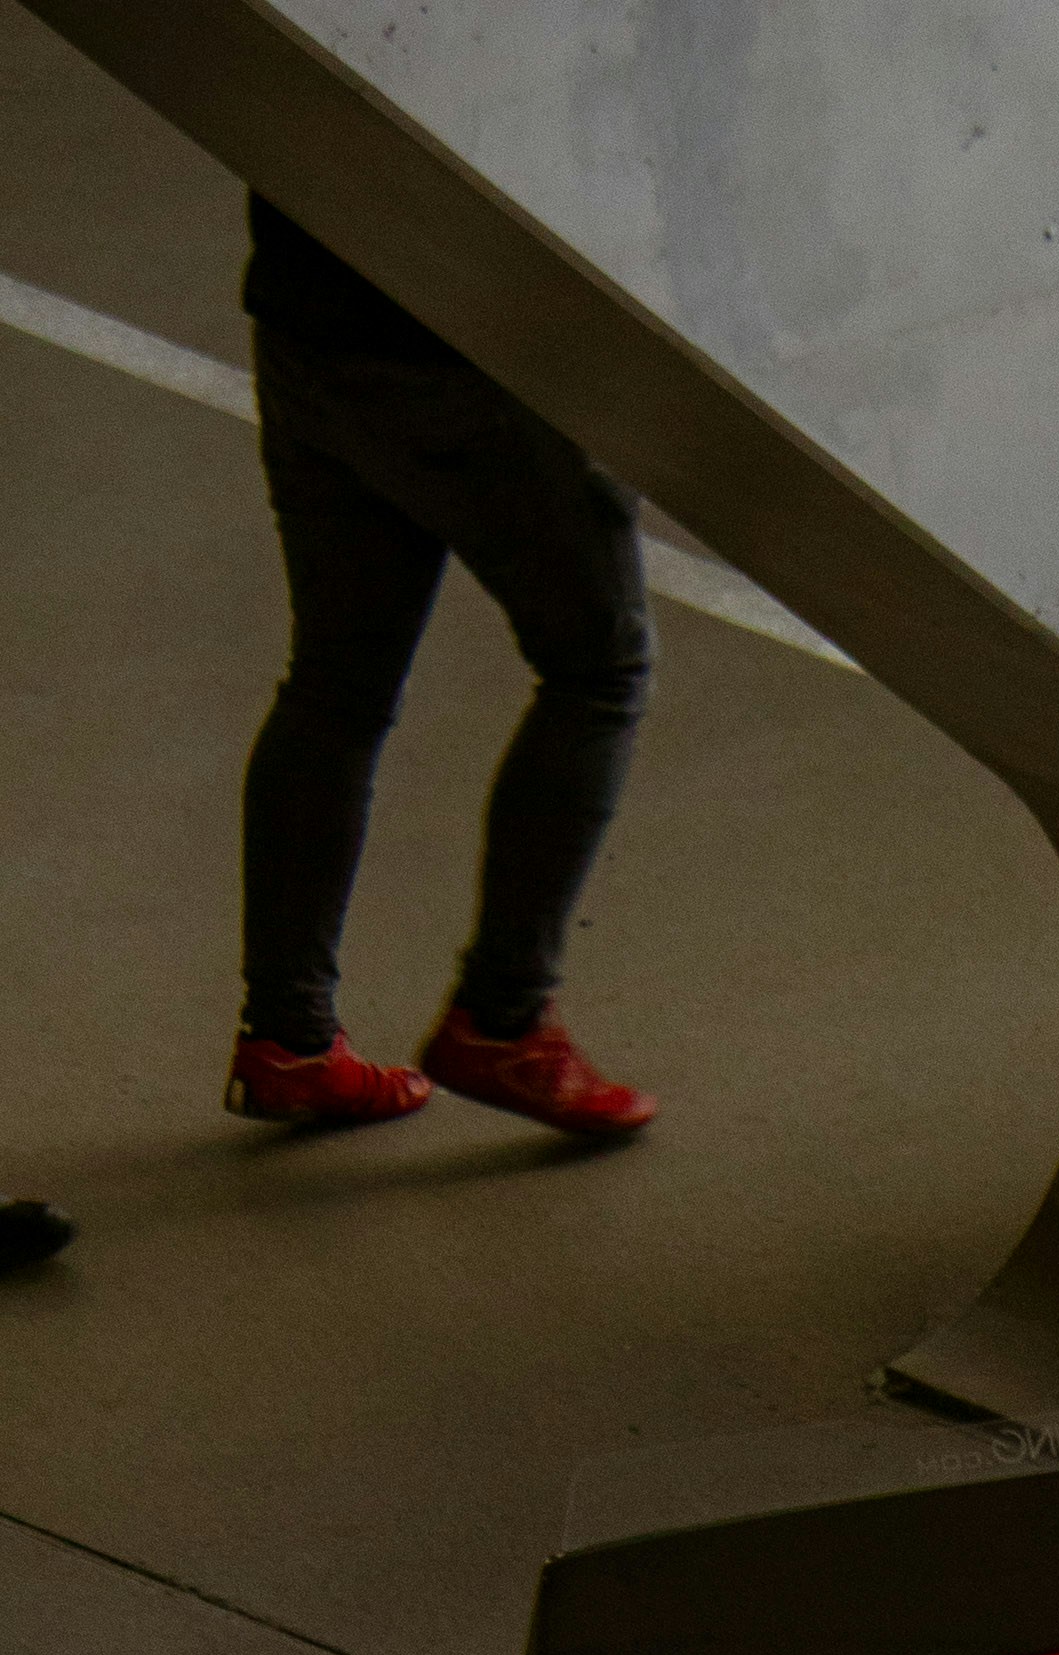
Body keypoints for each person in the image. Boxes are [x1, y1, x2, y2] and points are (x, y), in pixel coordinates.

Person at [229, 201, 659, 1146]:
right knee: (598, 670)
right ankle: (503, 1020)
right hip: (470, 356)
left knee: (336, 684)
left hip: (308, 332)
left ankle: (289, 1043)